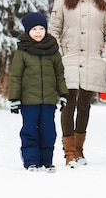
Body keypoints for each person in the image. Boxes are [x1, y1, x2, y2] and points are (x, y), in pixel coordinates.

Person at [49, 0, 106, 168]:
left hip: (93, 59)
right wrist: (59, 55)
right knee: (68, 105)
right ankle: (68, 152)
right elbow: (54, 30)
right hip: (68, 58)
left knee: (85, 105)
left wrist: (105, 56)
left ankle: (79, 150)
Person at [8, 12, 69, 172]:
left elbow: (59, 74)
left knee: (48, 131)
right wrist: (14, 98)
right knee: (29, 130)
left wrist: (63, 94)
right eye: (34, 29)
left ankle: (46, 161)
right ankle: (31, 161)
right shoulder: (22, 51)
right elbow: (16, 76)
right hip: (28, 101)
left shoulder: (53, 50)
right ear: (28, 31)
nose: (38, 32)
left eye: (41, 28)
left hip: (48, 101)